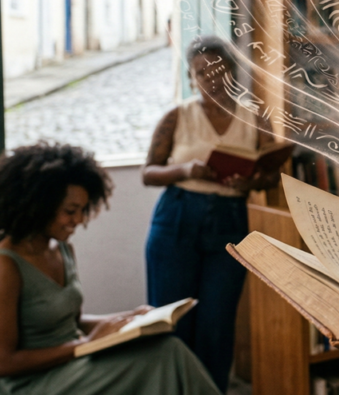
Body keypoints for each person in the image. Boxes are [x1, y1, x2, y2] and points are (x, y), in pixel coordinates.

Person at [0, 142, 219, 395]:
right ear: (38, 205)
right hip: (34, 382)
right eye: (70, 211)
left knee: (167, 348)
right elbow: (4, 362)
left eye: (83, 210)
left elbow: (72, 322)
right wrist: (84, 345)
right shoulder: (7, 265)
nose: (79, 220)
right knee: (162, 358)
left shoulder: (62, 249)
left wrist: (131, 318)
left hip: (73, 361)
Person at [142, 35, 281, 392]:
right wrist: (186, 169)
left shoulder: (254, 119)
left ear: (232, 72)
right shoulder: (177, 116)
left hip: (229, 219)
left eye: (218, 69)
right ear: (191, 78)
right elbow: (149, 173)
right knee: (172, 320)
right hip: (177, 218)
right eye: (201, 71)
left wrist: (249, 181)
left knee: (216, 324)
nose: (210, 78)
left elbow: (270, 172)